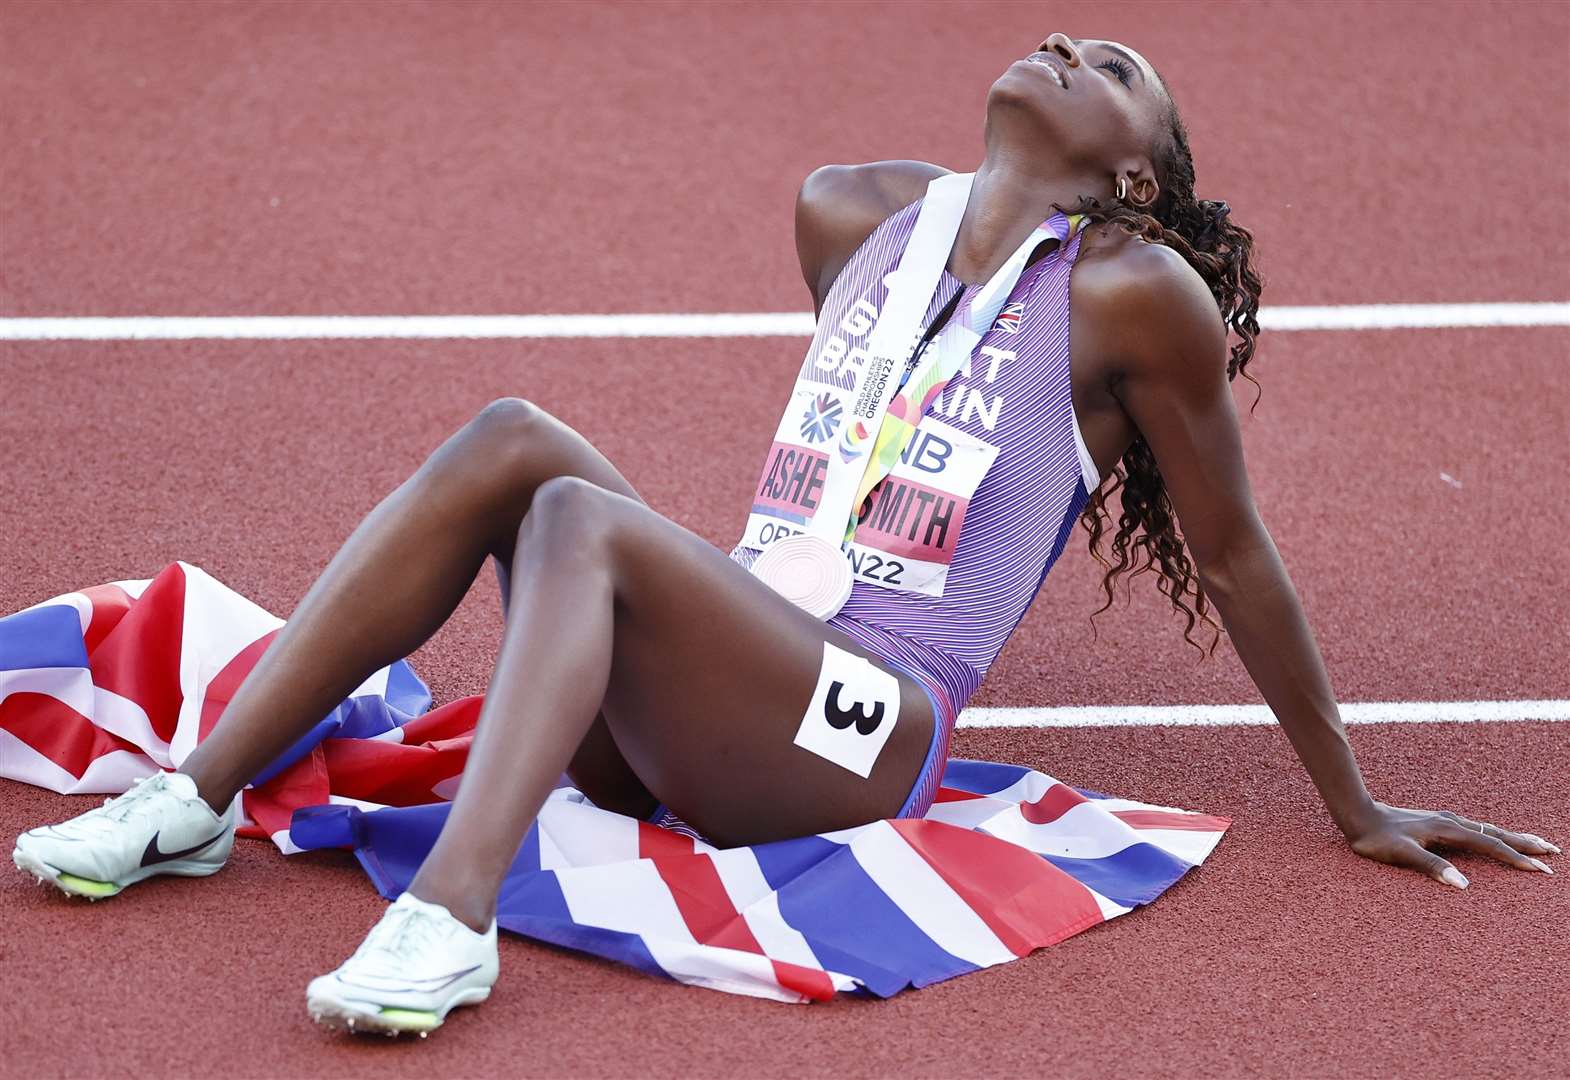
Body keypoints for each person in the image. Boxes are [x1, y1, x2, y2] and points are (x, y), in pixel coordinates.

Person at [13, 33, 1557, 1035]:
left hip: (861, 722)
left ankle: (448, 921)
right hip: (724, 681)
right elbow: (885, 365)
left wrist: (1351, 800)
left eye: (1116, 66)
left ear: (1135, 174)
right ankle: (195, 802)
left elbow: (1232, 556)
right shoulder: (849, 217)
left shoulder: (1131, 294)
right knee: (513, 441)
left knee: (576, 518)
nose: (1070, 39)